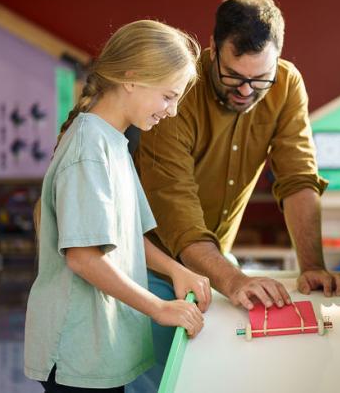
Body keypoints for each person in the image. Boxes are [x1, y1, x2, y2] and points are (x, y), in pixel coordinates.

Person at [130, 0, 340, 390]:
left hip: (216, 259)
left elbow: (298, 178)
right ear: (213, 50)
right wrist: (233, 281)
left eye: (260, 79)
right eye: (235, 76)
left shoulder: (286, 85)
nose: (247, 91)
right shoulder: (179, 89)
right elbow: (178, 216)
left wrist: (313, 265)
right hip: (150, 264)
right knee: (155, 378)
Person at [24, 20, 212, 392]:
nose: (172, 111)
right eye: (168, 96)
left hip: (98, 348)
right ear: (131, 78)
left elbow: (123, 236)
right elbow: (83, 256)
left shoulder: (114, 141)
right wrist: (158, 308)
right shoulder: (89, 149)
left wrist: (176, 270)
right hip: (76, 350)